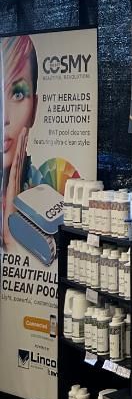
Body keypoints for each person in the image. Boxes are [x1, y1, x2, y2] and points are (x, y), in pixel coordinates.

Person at [2, 35, 42, 248]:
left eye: (17, 94)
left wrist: (11, 238)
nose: (5, 117)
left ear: (34, 108)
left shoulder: (46, 193)